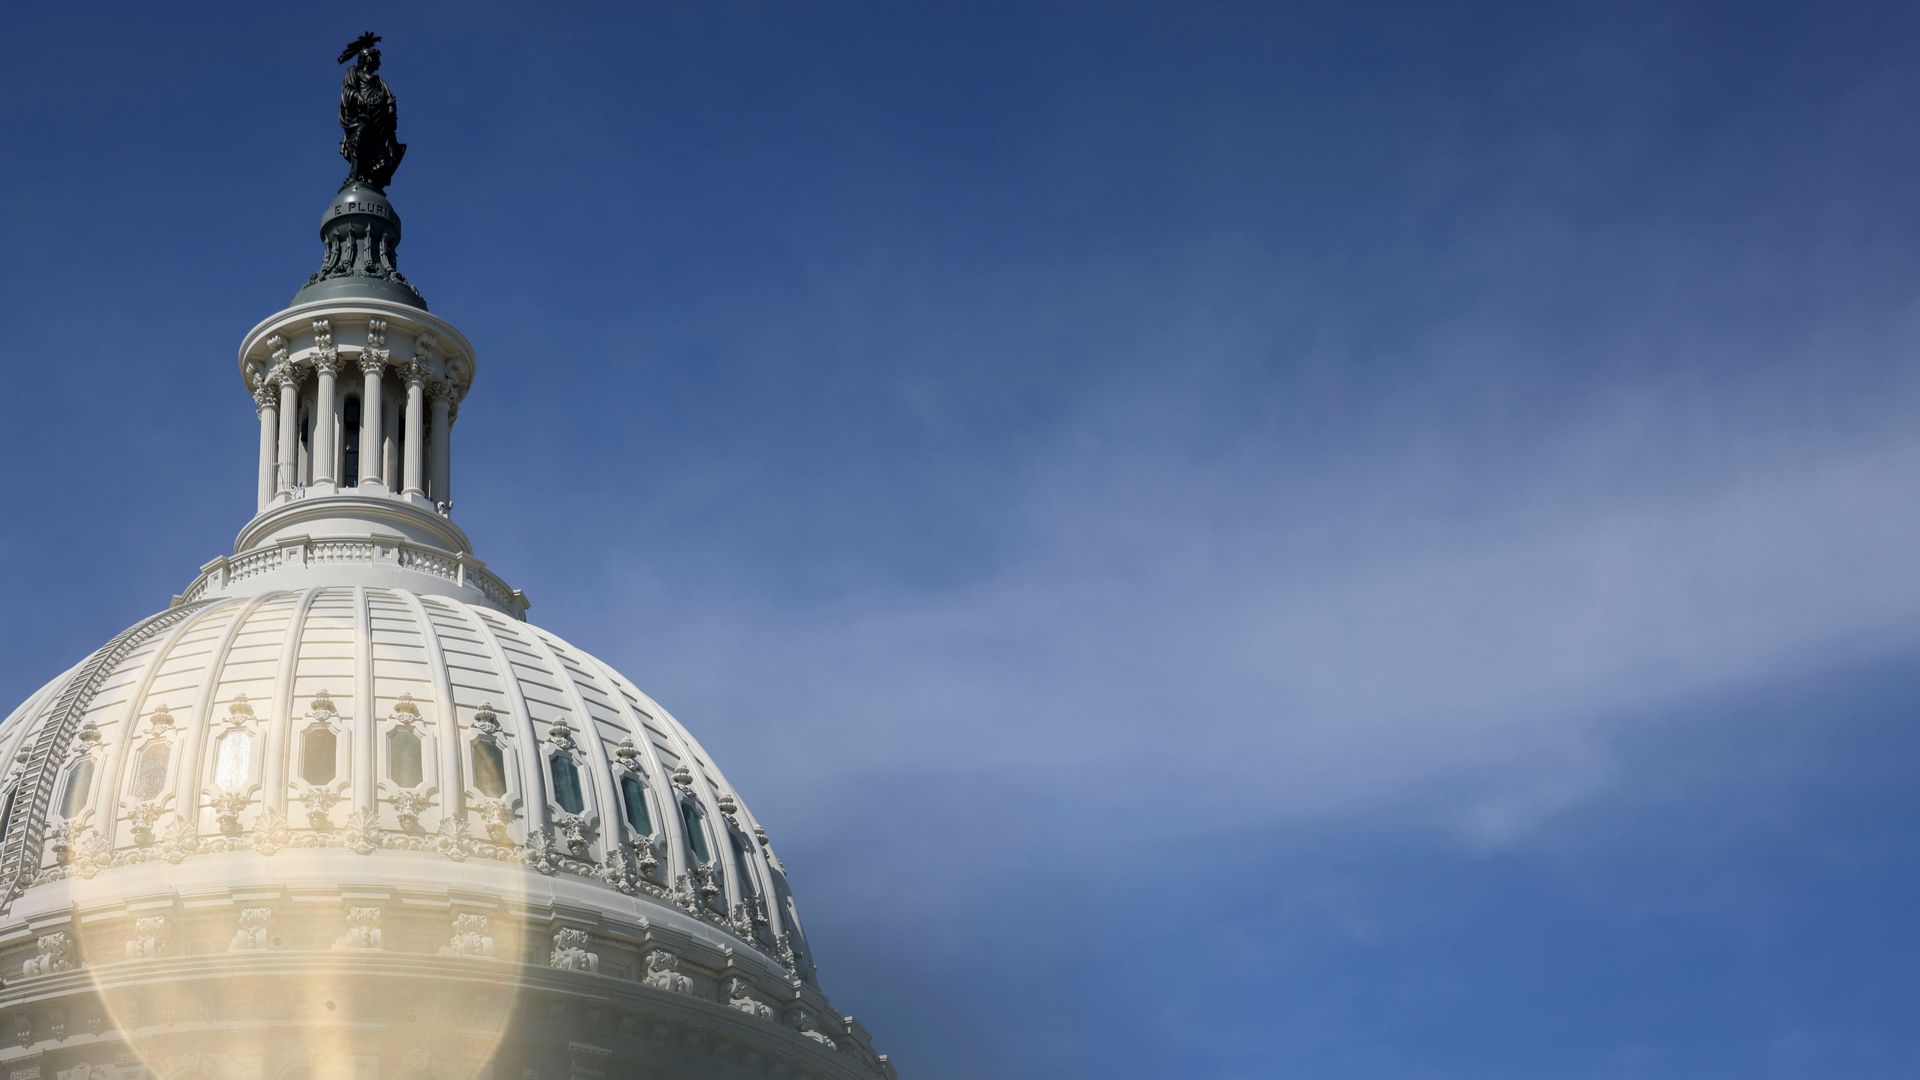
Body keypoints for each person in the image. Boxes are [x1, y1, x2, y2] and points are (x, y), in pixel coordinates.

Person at [337, 32, 406, 191]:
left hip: (379, 121)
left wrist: (390, 108)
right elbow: (348, 89)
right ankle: (354, 175)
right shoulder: (354, 72)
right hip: (362, 116)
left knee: (378, 150)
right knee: (359, 140)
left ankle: (369, 177)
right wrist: (358, 98)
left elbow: (389, 97)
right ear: (368, 58)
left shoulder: (378, 81)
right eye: (377, 59)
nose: (379, 63)